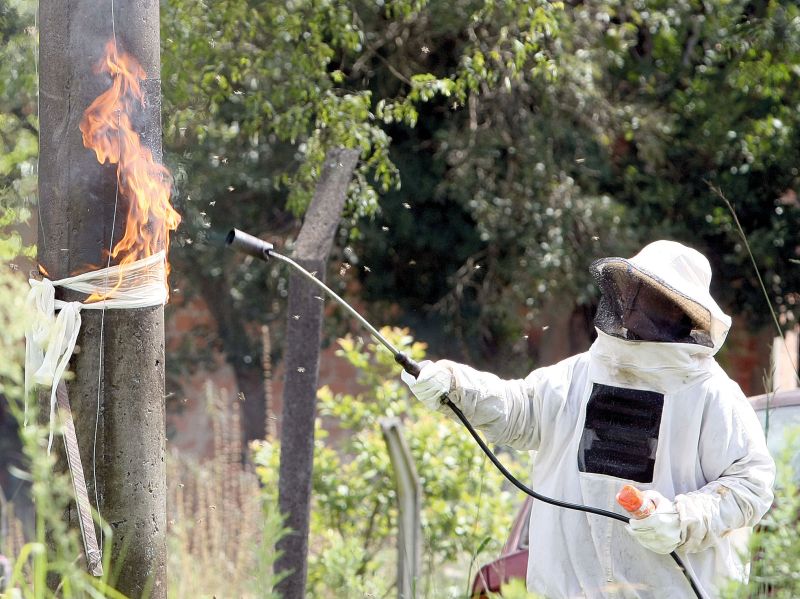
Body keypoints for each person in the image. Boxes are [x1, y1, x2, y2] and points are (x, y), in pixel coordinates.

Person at [402, 240, 775, 598]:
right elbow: (517, 409)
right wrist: (456, 386)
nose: (637, 305)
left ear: (683, 312)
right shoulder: (578, 375)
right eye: (636, 290)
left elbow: (751, 484)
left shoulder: (710, 393)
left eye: (657, 297)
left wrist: (682, 519)